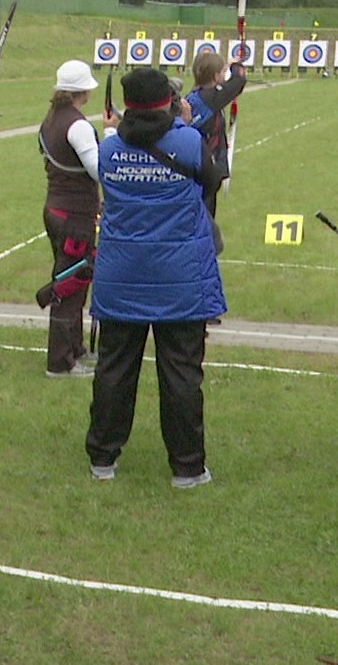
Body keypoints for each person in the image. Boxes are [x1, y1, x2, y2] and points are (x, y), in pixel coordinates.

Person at [85, 67, 223, 489]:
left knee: (114, 368)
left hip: (121, 273)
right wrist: (182, 122)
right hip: (179, 277)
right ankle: (187, 467)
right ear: (167, 101)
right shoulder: (187, 139)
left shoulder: (109, 149)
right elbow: (212, 181)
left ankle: (103, 459)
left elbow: (113, 165)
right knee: (181, 372)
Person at [38, 60, 111, 377]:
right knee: (69, 287)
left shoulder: (50, 119)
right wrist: (110, 134)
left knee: (75, 283)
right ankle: (60, 362)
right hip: (74, 215)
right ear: (84, 90)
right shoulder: (78, 125)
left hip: (58, 209)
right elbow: (99, 169)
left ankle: (75, 348)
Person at [183, 49, 247, 218]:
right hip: (206, 168)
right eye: (221, 72)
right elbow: (238, 81)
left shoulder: (196, 96)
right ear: (215, 76)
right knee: (204, 217)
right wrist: (236, 65)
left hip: (196, 165)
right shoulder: (209, 98)